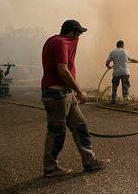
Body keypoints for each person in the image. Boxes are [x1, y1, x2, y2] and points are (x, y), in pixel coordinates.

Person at [41, 19, 109, 177]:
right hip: (56, 95)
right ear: (72, 32)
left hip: (66, 94)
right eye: (78, 34)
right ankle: (50, 168)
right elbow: (63, 70)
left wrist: (73, 92)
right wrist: (79, 90)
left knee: (80, 126)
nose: (79, 37)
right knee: (56, 132)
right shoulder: (60, 43)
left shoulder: (56, 40)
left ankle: (89, 161)